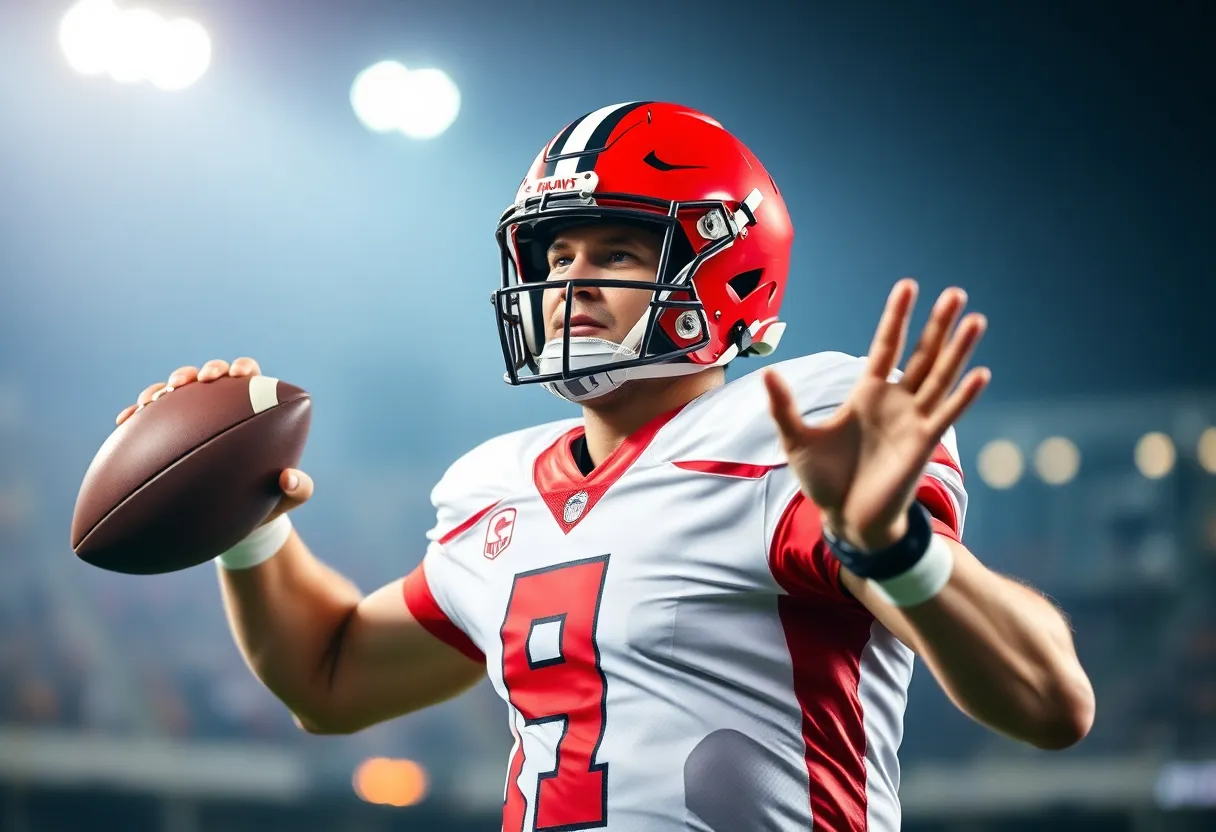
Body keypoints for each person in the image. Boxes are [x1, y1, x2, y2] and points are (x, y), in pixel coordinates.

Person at [117, 101, 1094, 831]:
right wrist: (248, 522)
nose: (566, 283)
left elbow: (1051, 705)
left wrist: (891, 543)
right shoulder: (492, 489)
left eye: (619, 253)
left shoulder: (795, 429)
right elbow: (328, 679)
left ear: (726, 273)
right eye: (552, 255)